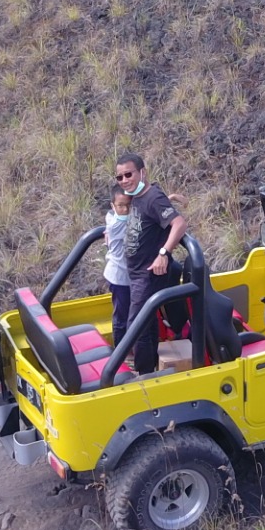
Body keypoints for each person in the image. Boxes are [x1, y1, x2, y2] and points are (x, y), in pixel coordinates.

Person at [115, 153, 188, 374]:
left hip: (148, 274)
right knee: (146, 322)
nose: (125, 180)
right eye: (119, 177)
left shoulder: (152, 197)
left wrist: (164, 253)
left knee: (136, 327)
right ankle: (150, 366)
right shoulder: (138, 195)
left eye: (129, 174)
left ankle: (143, 375)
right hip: (136, 273)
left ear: (142, 172)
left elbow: (179, 223)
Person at [103, 185, 137, 347]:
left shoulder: (111, 217)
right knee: (121, 317)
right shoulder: (117, 223)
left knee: (129, 313)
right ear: (113, 206)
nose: (125, 209)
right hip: (120, 277)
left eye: (129, 205)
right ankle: (121, 353)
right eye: (121, 206)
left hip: (126, 276)